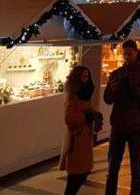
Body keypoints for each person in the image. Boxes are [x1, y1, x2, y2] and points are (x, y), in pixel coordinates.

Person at [104, 40, 140, 195]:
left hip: (136, 125)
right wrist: (112, 87)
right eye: (124, 54)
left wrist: (131, 85)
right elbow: (107, 99)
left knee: (136, 166)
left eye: (129, 54)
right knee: (113, 165)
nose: (126, 57)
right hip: (118, 124)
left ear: (136, 52)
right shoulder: (118, 72)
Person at [59, 66, 102, 195]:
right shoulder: (73, 96)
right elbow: (69, 118)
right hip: (76, 141)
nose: (86, 79)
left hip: (84, 140)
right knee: (75, 178)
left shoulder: (85, 94)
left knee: (81, 174)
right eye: (83, 76)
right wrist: (86, 116)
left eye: (87, 76)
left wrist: (92, 115)